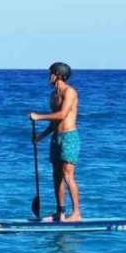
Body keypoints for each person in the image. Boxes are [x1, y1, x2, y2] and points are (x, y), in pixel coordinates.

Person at [29, 62, 82, 221]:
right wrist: (41, 136)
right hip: (56, 138)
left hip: (69, 138)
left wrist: (38, 117)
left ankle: (76, 213)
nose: (49, 76)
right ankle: (60, 212)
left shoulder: (69, 92)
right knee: (56, 176)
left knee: (67, 175)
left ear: (58, 74)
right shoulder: (53, 95)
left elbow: (62, 115)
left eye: (51, 73)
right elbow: (54, 123)